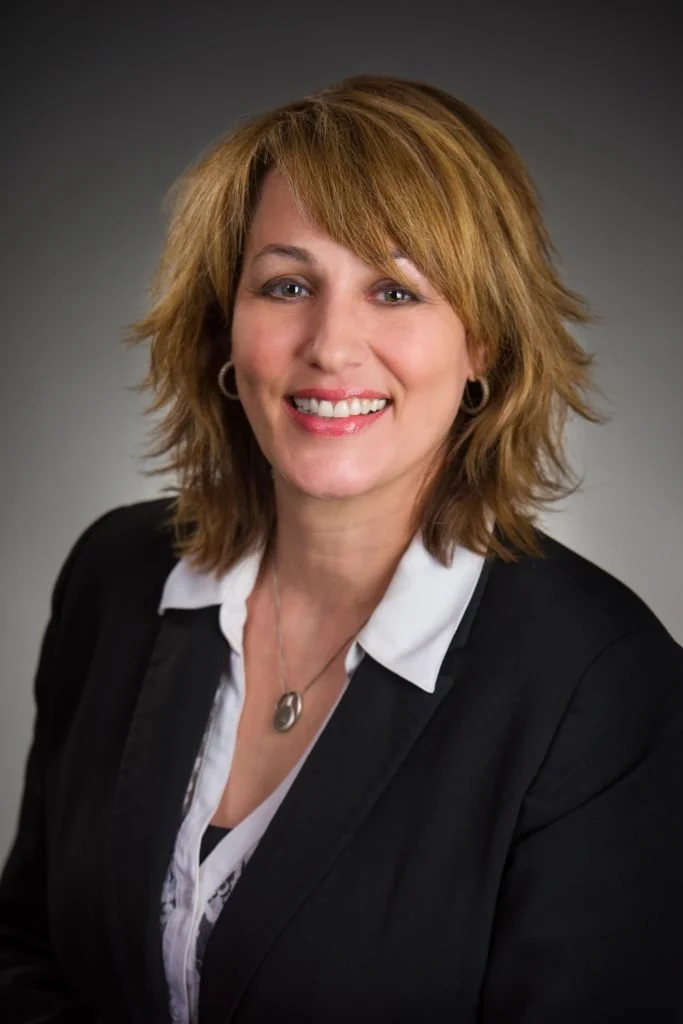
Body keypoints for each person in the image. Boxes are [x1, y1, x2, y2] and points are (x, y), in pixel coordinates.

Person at [0, 73, 681, 1024]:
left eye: (395, 291)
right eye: (287, 285)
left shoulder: (604, 683)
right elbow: (28, 957)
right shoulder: (116, 576)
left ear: (483, 344)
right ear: (225, 326)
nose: (331, 345)